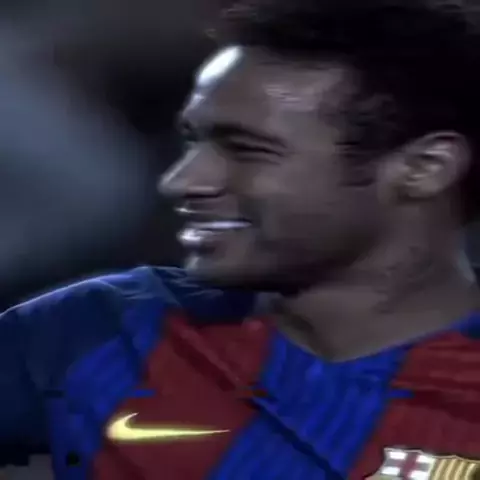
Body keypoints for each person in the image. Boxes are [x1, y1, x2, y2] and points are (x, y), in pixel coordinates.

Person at [2, 0, 480, 478]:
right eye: (193, 141)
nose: (181, 181)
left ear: (424, 168)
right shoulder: (98, 328)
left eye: (246, 150)